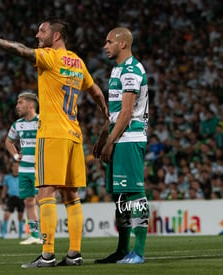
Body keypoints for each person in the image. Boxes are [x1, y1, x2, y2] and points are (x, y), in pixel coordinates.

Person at [0, 17, 108, 268]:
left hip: (53, 134)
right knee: (71, 194)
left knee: (45, 192)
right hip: (74, 135)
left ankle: (47, 255)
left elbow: (22, 50)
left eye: (42, 31)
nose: (37, 35)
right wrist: (107, 115)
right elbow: (97, 92)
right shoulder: (77, 62)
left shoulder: (50, 56)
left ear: (56, 36)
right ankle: (75, 253)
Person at [93, 27, 149, 264]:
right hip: (119, 137)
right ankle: (122, 249)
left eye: (108, 42)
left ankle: (139, 251)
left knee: (135, 194)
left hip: (130, 138)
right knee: (121, 197)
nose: (105, 46)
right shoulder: (117, 69)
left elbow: (127, 113)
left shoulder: (131, 70)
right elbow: (115, 113)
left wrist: (111, 141)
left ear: (123, 44)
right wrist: (102, 136)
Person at [5, 91, 41, 245]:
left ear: (31, 105)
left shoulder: (42, 121)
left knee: (43, 200)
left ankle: (46, 235)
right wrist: (15, 156)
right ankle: (34, 235)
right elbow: (8, 141)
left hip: (40, 168)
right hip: (24, 168)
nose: (17, 106)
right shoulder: (17, 124)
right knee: (28, 201)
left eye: (20, 103)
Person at [0, 162, 24, 239]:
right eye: (14, 166)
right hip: (11, 198)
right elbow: (4, 189)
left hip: (20, 197)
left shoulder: (22, 176)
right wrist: (3, 199)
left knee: (20, 216)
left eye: (17, 166)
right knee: (6, 215)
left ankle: (20, 235)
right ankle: (3, 235)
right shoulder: (7, 178)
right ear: (12, 167)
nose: (16, 168)